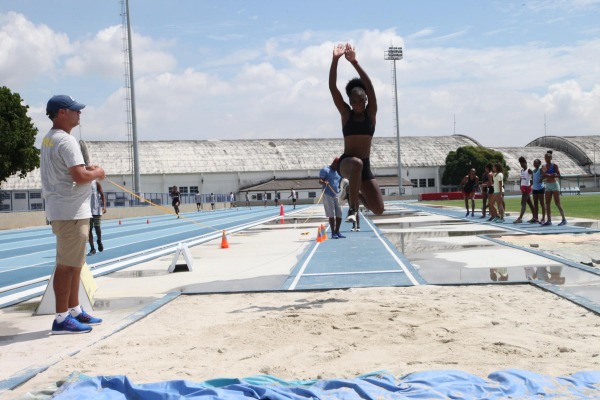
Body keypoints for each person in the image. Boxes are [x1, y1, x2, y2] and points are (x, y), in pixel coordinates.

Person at [41, 94, 105, 334]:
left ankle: (74, 309)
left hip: (65, 209)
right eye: (75, 110)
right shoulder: (66, 141)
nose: (79, 113)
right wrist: (97, 172)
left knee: (76, 263)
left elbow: (71, 172)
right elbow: (79, 176)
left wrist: (85, 170)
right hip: (70, 212)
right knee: (67, 265)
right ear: (61, 113)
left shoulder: (50, 139)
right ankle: (61, 318)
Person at [329, 43, 384, 227]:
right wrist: (335, 60)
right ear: (350, 102)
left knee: (378, 209)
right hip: (347, 163)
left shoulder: (371, 114)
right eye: (353, 102)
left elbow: (369, 86)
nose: (357, 105)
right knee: (356, 163)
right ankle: (353, 209)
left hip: (364, 167)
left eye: (361, 101)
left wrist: (354, 62)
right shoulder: (346, 114)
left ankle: (354, 194)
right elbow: (332, 88)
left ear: (366, 99)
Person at [319, 157, 345, 239]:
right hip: (328, 194)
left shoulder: (339, 172)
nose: (338, 167)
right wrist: (324, 182)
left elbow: (341, 181)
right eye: (337, 165)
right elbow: (320, 181)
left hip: (337, 194)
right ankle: (333, 233)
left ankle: (337, 231)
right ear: (334, 163)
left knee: (339, 213)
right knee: (331, 214)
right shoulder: (325, 170)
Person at [541, 150, 567, 226]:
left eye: (548, 158)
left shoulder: (554, 165)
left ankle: (564, 219)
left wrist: (552, 175)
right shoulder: (544, 166)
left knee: (557, 203)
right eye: (545, 158)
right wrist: (550, 175)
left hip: (554, 185)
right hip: (548, 185)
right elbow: (543, 175)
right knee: (547, 203)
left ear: (551, 158)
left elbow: (558, 174)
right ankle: (549, 220)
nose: (547, 159)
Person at [87, 180, 106, 256]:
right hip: (87, 211)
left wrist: (104, 206)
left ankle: (99, 240)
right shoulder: (83, 183)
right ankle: (92, 248)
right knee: (89, 230)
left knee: (97, 227)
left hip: (97, 210)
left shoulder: (96, 183)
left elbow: (102, 194)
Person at [513, 156, 535, 224]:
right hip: (523, 188)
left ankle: (520, 218)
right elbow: (521, 178)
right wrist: (520, 185)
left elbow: (534, 177)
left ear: (525, 163)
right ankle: (535, 217)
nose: (521, 165)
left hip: (527, 188)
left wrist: (530, 185)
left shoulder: (529, 170)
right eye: (520, 164)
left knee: (523, 203)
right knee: (530, 203)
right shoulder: (522, 170)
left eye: (522, 164)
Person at [531, 159, 546, 224]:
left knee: (542, 203)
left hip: (540, 188)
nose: (535, 164)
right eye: (534, 163)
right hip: (534, 189)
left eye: (536, 163)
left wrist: (541, 179)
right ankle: (536, 218)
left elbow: (544, 175)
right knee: (535, 204)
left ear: (539, 164)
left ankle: (543, 218)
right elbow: (532, 179)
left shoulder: (540, 170)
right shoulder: (533, 171)